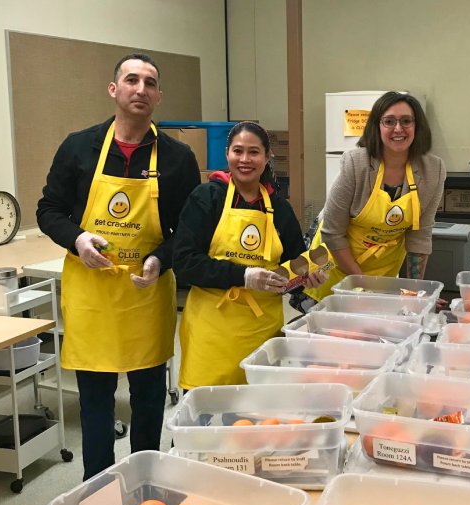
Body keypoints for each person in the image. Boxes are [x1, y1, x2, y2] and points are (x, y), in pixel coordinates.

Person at [37, 53, 201, 481]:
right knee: (96, 404)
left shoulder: (177, 158)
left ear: (159, 96)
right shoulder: (78, 147)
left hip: (145, 296)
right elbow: (49, 210)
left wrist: (159, 259)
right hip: (92, 295)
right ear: (114, 90)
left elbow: (188, 229)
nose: (140, 89)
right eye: (132, 80)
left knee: (148, 401)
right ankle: (98, 491)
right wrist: (76, 238)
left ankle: (144, 483)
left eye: (150, 83)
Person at [173, 121, 327, 389]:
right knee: (204, 417)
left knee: (255, 415)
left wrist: (306, 278)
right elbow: (185, 264)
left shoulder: (280, 209)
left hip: (261, 332)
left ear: (267, 158)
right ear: (227, 154)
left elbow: (290, 268)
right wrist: (244, 276)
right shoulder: (207, 197)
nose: (245, 160)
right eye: (238, 151)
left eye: (254, 152)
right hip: (211, 332)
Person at [303, 91, 446, 303]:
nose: (398, 129)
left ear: (417, 126)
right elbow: (333, 234)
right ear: (377, 126)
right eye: (389, 121)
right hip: (335, 267)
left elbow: (420, 237)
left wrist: (415, 293)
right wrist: (363, 286)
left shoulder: (432, 170)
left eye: (406, 121)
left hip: (383, 271)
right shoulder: (356, 164)